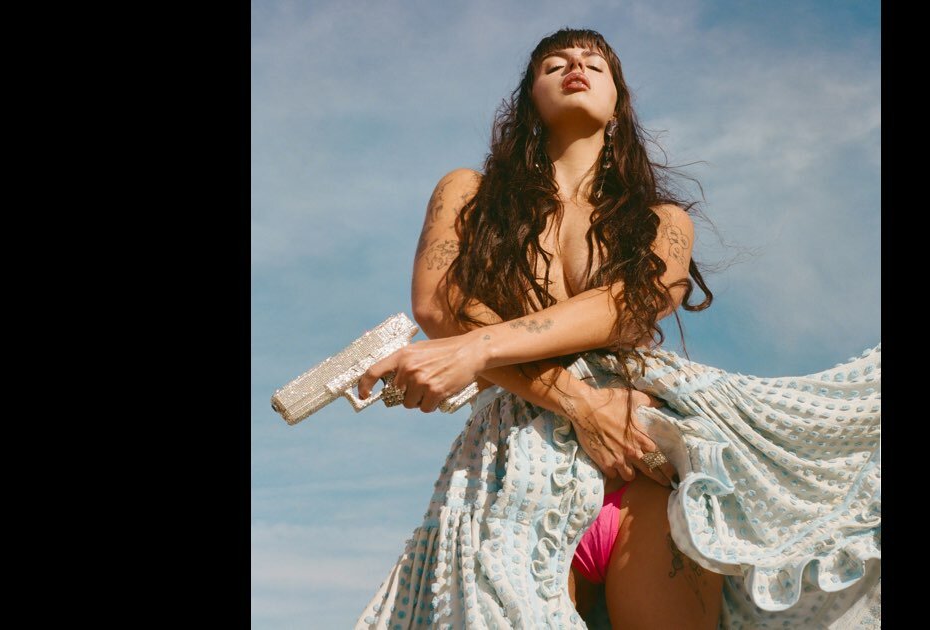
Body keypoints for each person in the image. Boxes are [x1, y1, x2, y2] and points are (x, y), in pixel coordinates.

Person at [353, 28, 880, 629]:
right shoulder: (467, 193)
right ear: (530, 97)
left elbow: (630, 304)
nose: (575, 65)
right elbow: (439, 304)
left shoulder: (663, 222)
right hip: (509, 467)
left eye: (593, 63)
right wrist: (581, 404)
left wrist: (479, 346)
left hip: (646, 462)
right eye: (554, 63)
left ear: (618, 103)